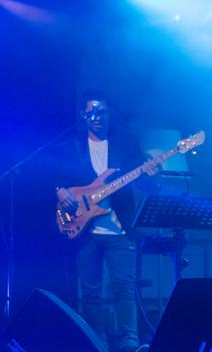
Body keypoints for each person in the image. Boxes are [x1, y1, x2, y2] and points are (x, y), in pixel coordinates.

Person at [55, 91, 156, 352]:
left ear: (110, 114)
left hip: (120, 230)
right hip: (85, 229)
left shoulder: (126, 142)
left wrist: (150, 174)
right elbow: (57, 174)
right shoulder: (74, 145)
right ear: (83, 115)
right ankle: (96, 343)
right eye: (92, 113)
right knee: (90, 292)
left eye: (102, 112)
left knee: (124, 288)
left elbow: (144, 182)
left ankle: (130, 343)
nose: (98, 117)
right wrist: (61, 191)